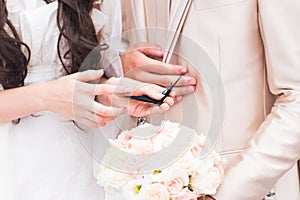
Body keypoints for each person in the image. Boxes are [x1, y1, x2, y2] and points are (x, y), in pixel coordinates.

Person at [121, 0, 300, 199]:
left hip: (247, 190)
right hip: (145, 184)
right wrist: (121, 63)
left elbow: (296, 96)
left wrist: (227, 194)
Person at [0, 0, 175, 199]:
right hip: (9, 157)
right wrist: (47, 96)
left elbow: (84, 71)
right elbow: (60, 92)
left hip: (74, 153)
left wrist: (110, 92)